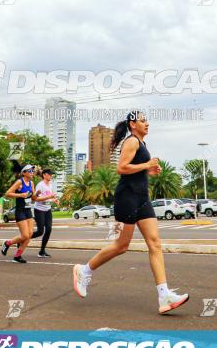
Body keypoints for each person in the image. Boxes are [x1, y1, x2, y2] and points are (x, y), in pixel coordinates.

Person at [72, 111, 189, 314]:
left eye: (147, 120)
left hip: (143, 199)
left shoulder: (142, 144)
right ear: (133, 124)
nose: (147, 123)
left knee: (155, 243)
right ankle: (84, 271)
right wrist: (147, 164)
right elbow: (121, 168)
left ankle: (164, 296)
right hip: (126, 198)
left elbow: (135, 170)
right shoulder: (131, 142)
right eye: (143, 121)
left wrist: (148, 171)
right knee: (121, 245)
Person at [1, 164, 36, 263]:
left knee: (29, 235)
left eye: (32, 171)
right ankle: (8, 243)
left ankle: (18, 256)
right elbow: (7, 193)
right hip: (20, 211)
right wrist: (21, 195)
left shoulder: (32, 183)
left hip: (28, 210)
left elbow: (33, 198)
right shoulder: (19, 182)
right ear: (24, 173)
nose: (32, 173)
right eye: (30, 171)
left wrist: (36, 194)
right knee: (25, 235)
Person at [31, 168, 58, 258]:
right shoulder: (40, 185)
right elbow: (36, 199)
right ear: (44, 175)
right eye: (50, 174)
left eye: (51, 174)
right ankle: (23, 239)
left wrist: (54, 200)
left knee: (49, 229)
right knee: (40, 231)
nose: (51, 176)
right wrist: (49, 196)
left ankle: (42, 251)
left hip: (47, 210)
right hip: (39, 210)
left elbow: (48, 198)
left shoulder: (50, 185)